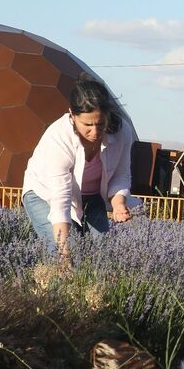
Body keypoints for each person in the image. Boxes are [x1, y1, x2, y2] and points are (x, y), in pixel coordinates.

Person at [21, 78, 137, 261]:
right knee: (65, 251)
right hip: (45, 194)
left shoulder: (122, 132)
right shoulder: (58, 137)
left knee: (100, 256)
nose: (95, 132)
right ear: (72, 115)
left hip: (92, 196)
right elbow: (60, 199)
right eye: (87, 125)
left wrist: (118, 204)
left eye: (100, 124)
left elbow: (121, 175)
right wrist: (64, 254)